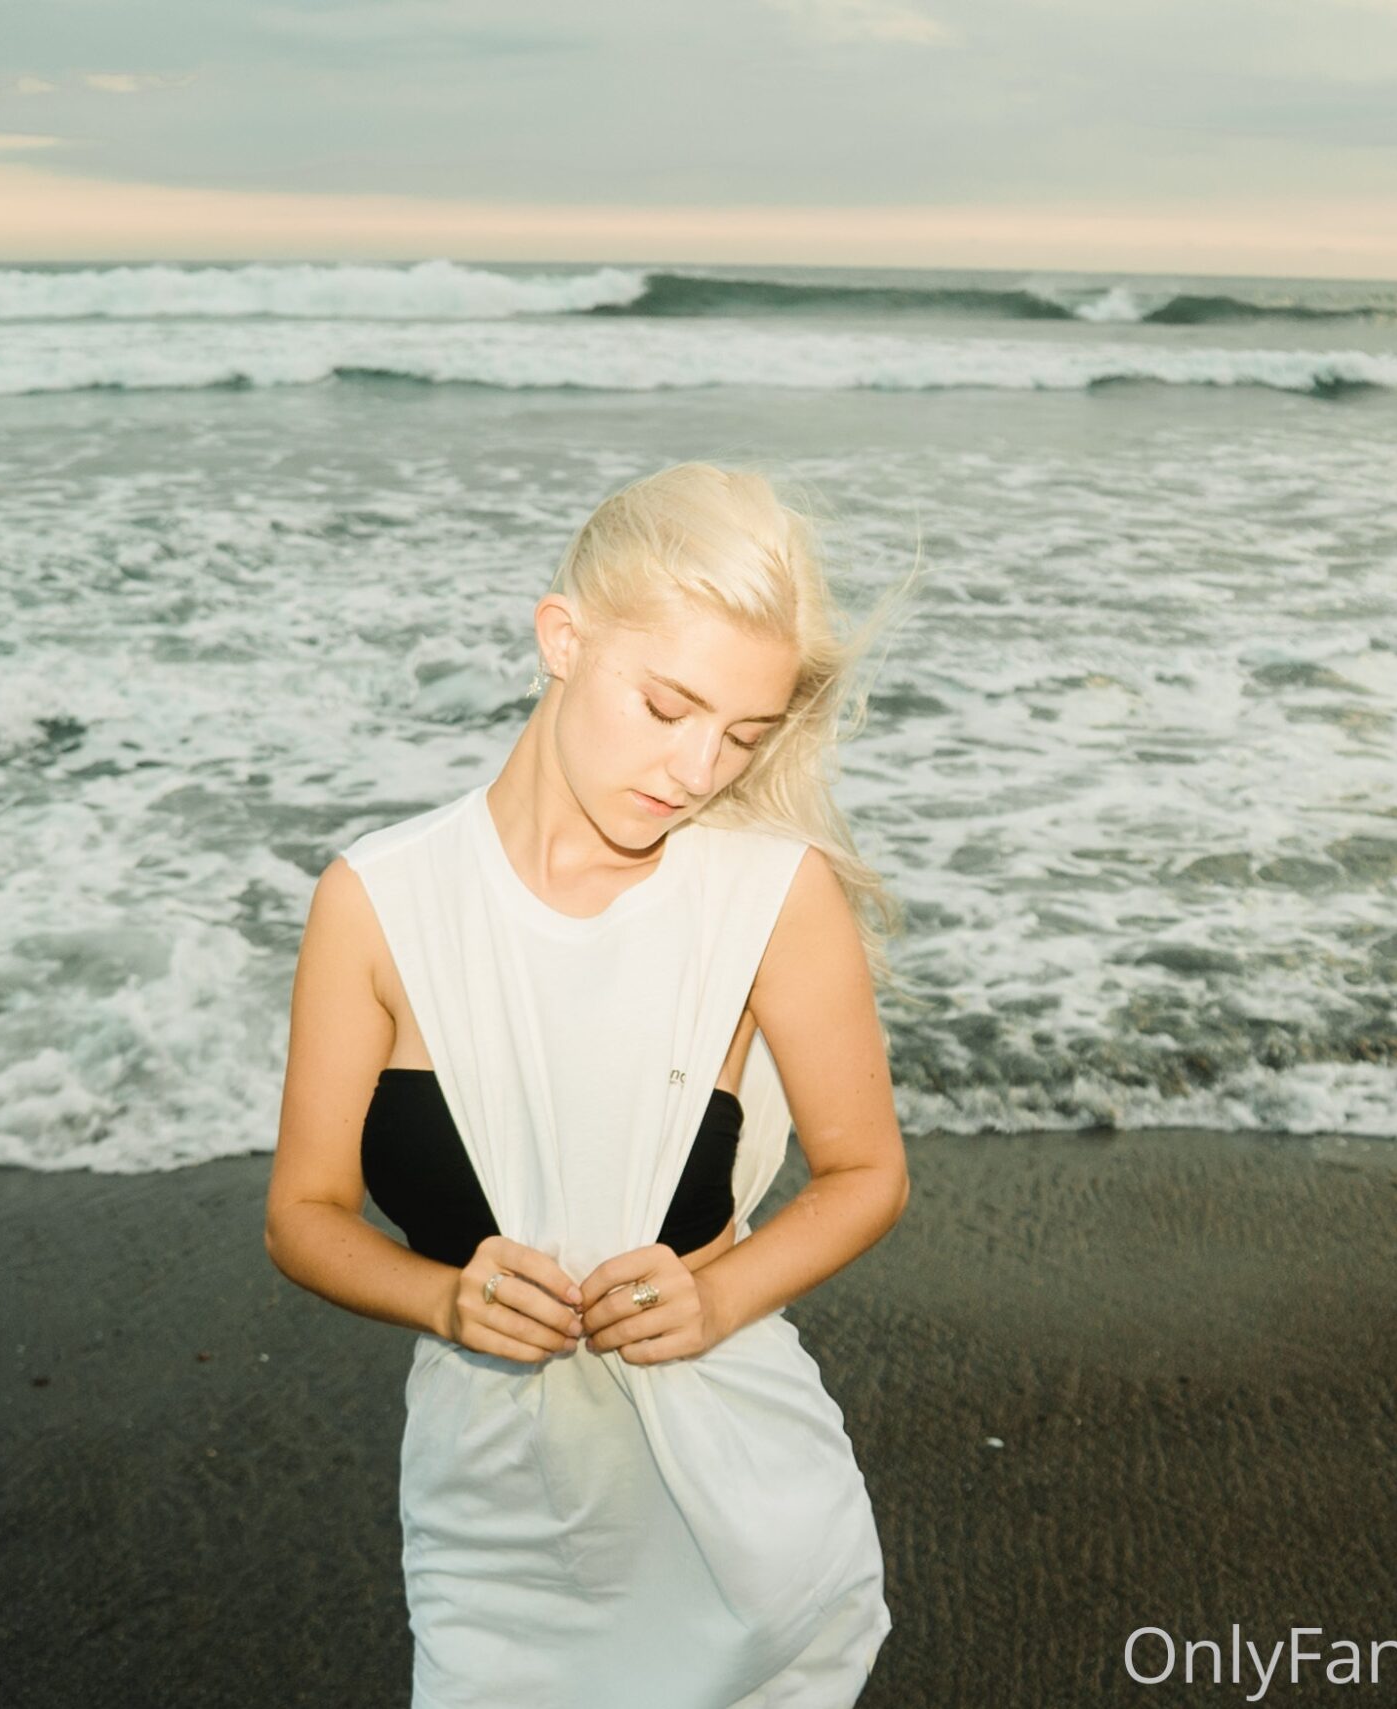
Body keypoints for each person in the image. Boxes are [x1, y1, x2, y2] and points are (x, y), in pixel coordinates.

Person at [266, 460, 921, 1708]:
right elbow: (302, 1212)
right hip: (489, 1521)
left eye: (742, 733)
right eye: (667, 705)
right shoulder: (380, 899)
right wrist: (442, 1296)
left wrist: (716, 1296)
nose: (698, 765)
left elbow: (865, 1173)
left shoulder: (769, 894)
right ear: (561, 638)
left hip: (738, 1521)